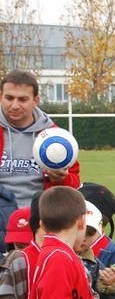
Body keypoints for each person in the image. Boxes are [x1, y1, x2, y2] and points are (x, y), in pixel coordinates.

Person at [0, 70, 81, 208]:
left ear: (35, 101)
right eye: (9, 98)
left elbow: (74, 184)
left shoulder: (56, 138)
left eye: (22, 99)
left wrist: (62, 179)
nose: (14, 105)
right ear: (1, 97)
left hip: (40, 215)